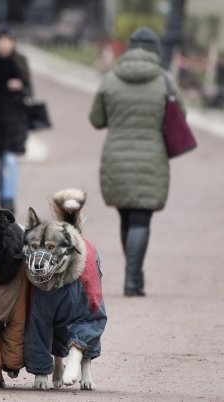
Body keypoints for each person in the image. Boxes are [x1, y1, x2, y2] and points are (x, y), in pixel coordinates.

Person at [89, 27, 184, 297]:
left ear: (130, 48)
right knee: (141, 220)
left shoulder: (110, 80)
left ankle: (133, 277)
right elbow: (180, 115)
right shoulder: (165, 80)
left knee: (126, 216)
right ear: (155, 49)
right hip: (152, 157)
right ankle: (133, 280)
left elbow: (97, 119)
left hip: (116, 157)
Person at [0, 27, 33, 213]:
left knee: (11, 160)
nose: (4, 45)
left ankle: (9, 200)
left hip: (16, 119)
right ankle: (2, 196)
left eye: (8, 41)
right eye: (1, 41)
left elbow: (30, 90)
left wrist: (20, 86)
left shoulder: (20, 62)